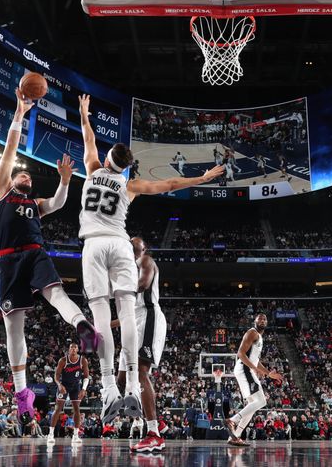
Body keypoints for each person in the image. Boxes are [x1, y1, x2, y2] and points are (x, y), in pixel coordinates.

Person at [77, 94, 223, 426]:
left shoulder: (92, 169)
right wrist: (202, 178)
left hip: (93, 245)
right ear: (126, 165)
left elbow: (88, 138)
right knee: (127, 311)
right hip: (118, 242)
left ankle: (108, 386)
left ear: (106, 158)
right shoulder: (130, 184)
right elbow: (170, 183)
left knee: (101, 314)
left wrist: (85, 114)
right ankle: (130, 383)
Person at [0, 88, 99, 426]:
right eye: (20, 174)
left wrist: (65, 182)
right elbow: (9, 151)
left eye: (27, 175)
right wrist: (19, 115)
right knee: (14, 329)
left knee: (57, 293)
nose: (24, 174)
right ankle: (23, 396)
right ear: (11, 181)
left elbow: (56, 204)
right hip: (6, 261)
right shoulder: (1, 193)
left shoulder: (35, 205)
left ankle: (81, 325)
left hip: (35, 253)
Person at [112, 237, 167, 453]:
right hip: (133, 321)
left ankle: (153, 433)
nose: (132, 243)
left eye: (137, 242)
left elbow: (143, 284)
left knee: (141, 372)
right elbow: (128, 312)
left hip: (148, 317)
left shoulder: (145, 260)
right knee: (122, 379)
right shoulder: (126, 270)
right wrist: (105, 325)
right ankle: (156, 419)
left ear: (144, 248)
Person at [225, 313, 283, 447]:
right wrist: (254, 369)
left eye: (265, 319)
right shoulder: (252, 332)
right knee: (261, 401)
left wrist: (268, 373)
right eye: (260, 318)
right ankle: (233, 420)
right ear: (255, 321)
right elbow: (240, 353)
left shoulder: (259, 337)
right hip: (244, 368)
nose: (262, 320)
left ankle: (235, 436)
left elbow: (255, 361)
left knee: (252, 406)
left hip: (247, 369)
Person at [47, 342, 90, 445]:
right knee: (58, 408)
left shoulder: (82, 360)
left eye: (75, 347)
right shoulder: (63, 360)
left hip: (76, 386)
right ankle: (50, 434)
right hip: (64, 386)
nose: (73, 349)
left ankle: (75, 435)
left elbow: (86, 376)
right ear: (69, 350)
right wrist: (59, 385)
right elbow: (56, 376)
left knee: (77, 409)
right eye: (71, 347)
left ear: (78, 350)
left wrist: (83, 389)